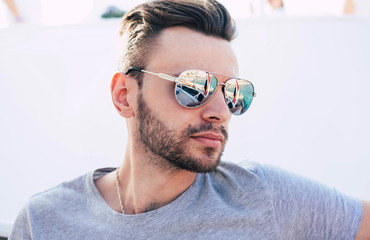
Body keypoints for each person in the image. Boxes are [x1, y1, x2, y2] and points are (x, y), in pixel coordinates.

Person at [9, 0, 369, 239]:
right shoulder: (44, 222)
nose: (220, 111)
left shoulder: (265, 196)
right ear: (124, 96)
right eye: (193, 86)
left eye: (233, 93)